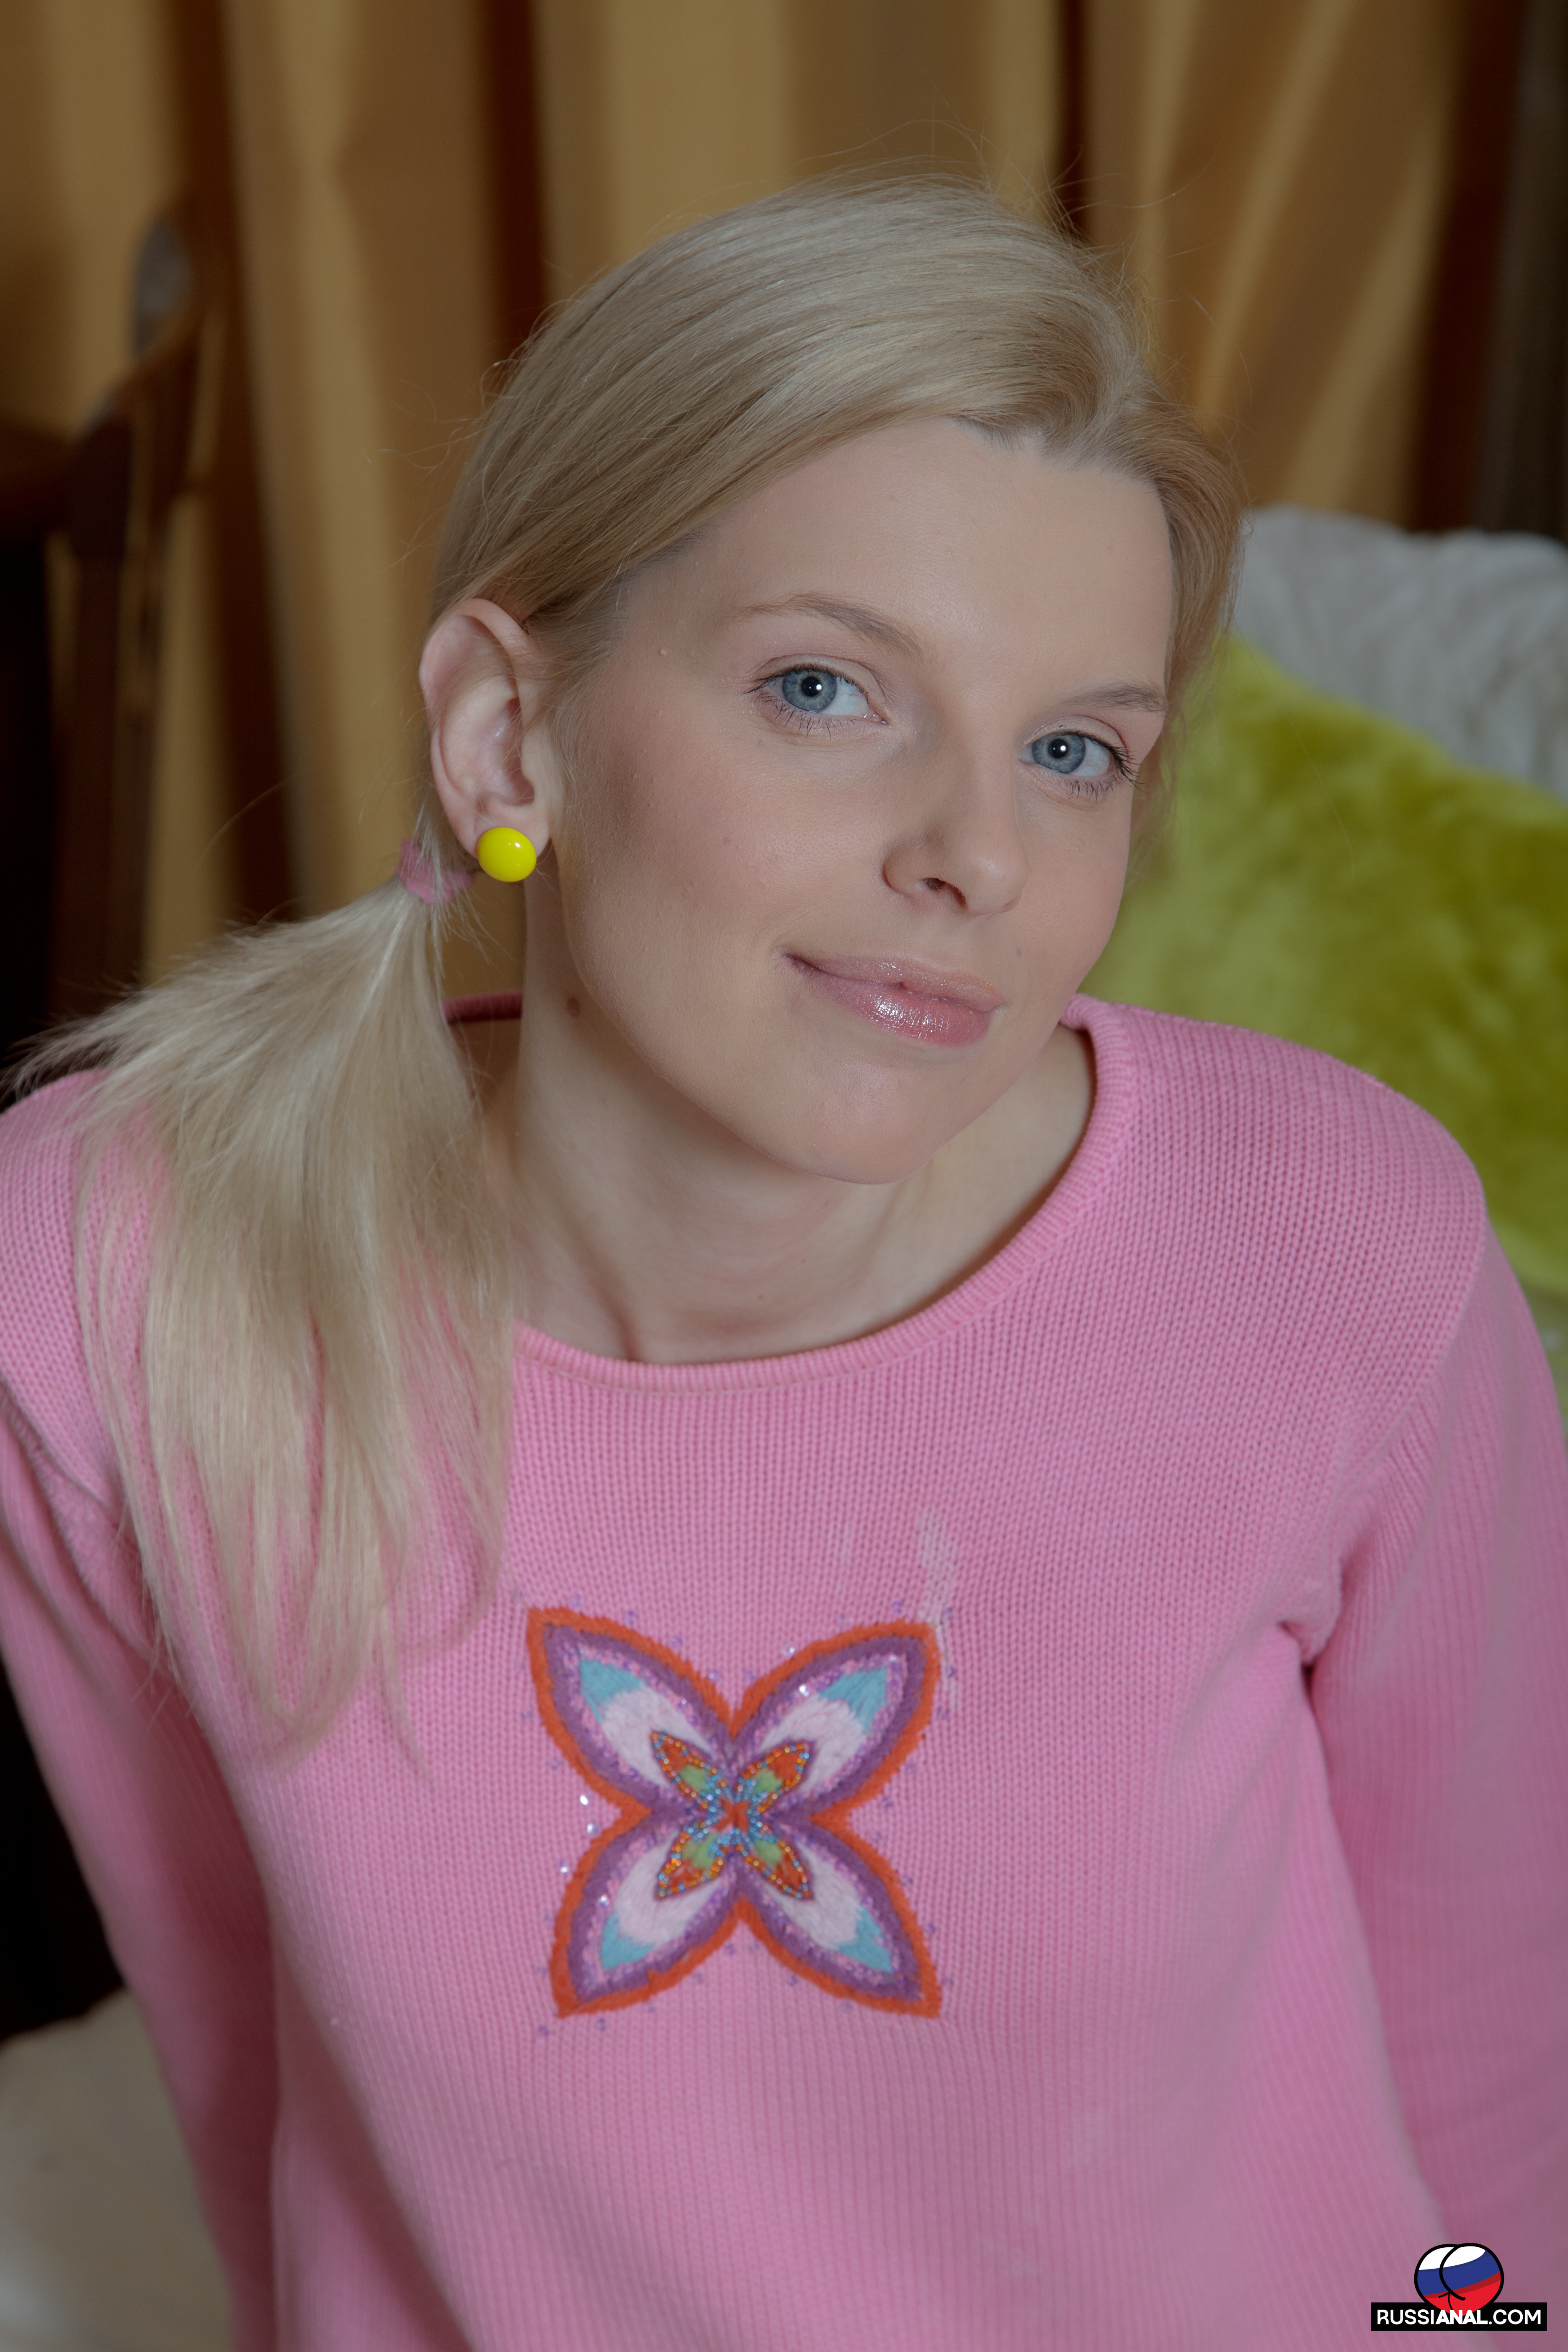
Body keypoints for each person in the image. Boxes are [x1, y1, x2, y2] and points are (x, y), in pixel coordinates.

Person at [0, 176, 1563, 2352]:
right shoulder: (102, 1281)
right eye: (828, 689)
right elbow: (248, 2058)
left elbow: (1497, 2059)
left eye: (1077, 750)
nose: (981, 855)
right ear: (509, 731)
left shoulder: (1340, 1248)